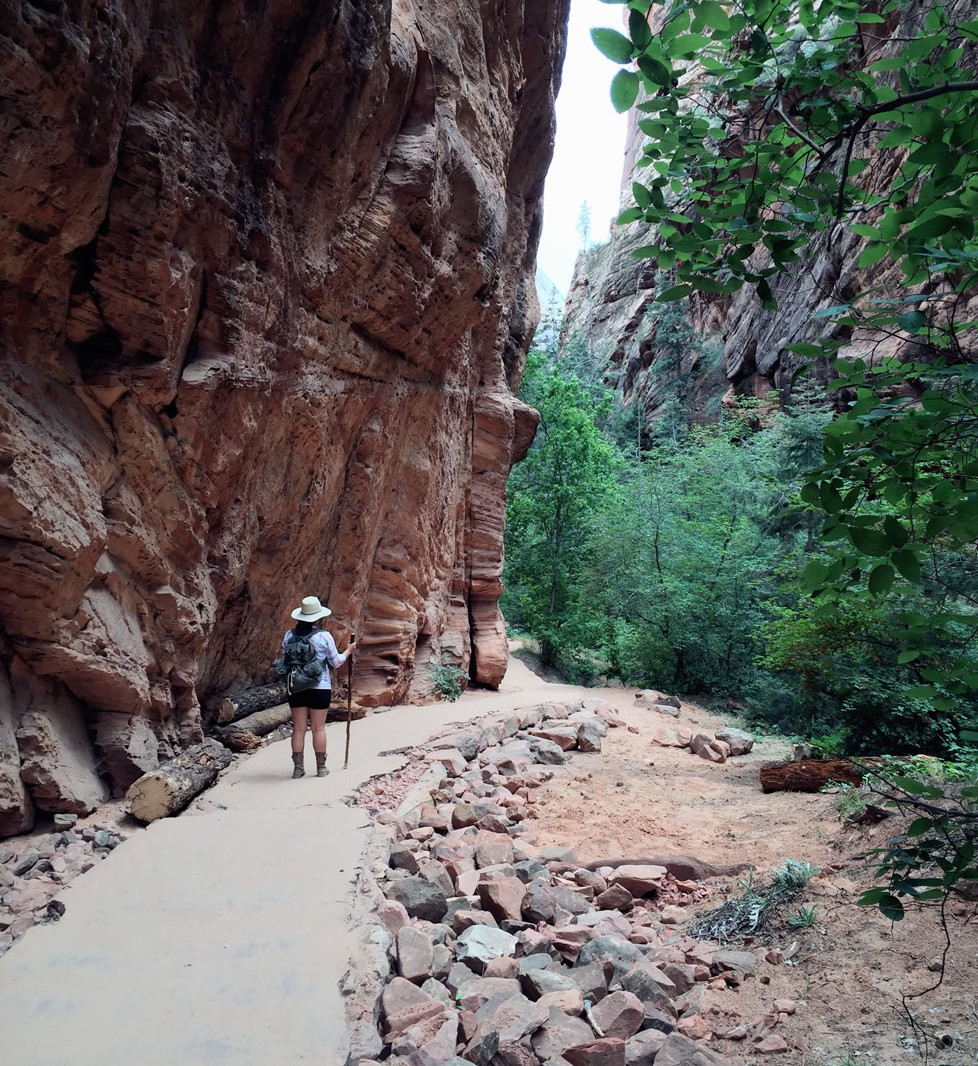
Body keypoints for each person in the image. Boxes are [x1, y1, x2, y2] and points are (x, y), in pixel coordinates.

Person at [282, 595, 355, 778]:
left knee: (299, 728)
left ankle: (298, 769)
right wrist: (348, 651)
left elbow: (286, 660)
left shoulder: (289, 636)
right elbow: (336, 662)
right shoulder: (323, 636)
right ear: (317, 617)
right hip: (320, 687)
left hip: (296, 687)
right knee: (318, 728)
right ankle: (321, 768)